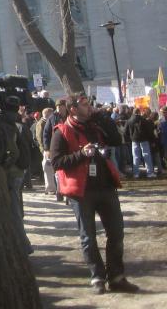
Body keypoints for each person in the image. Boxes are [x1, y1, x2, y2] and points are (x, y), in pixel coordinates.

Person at [50, 93, 138, 295]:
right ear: (72, 109)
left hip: (105, 186)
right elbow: (56, 162)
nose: (89, 107)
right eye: (84, 105)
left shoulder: (96, 125)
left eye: (89, 104)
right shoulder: (62, 131)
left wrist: (102, 117)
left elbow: (116, 140)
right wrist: (82, 154)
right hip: (81, 192)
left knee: (116, 233)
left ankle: (116, 276)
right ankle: (97, 276)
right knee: (88, 237)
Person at [0, 95, 33, 254]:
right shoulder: (16, 122)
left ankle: (23, 247)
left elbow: (14, 152)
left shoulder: (5, 124)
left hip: (12, 172)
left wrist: (4, 166)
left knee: (14, 210)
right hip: (18, 171)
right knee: (16, 208)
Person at [125, 106, 156, 178]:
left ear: (133, 112)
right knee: (147, 156)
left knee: (136, 157)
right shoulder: (144, 120)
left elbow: (125, 132)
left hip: (134, 140)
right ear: (139, 112)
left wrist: (130, 137)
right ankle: (150, 173)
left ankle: (136, 173)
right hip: (144, 140)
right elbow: (149, 131)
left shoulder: (129, 121)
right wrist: (152, 140)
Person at [37, 107, 56, 194]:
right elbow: (40, 137)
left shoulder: (47, 122)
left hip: (50, 149)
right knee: (47, 168)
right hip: (46, 150)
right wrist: (44, 149)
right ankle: (50, 188)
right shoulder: (41, 123)